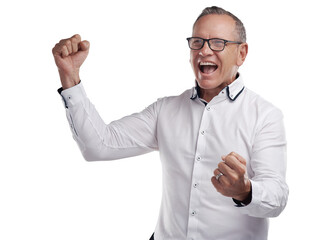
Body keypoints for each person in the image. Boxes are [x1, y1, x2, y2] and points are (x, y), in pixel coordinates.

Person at [53, 6, 288, 240]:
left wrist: (244, 191)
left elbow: (277, 198)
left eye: (218, 43)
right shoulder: (166, 110)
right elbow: (99, 145)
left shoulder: (265, 116)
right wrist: (70, 78)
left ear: (242, 53)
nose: (204, 51)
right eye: (197, 42)